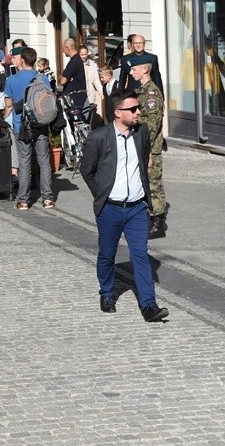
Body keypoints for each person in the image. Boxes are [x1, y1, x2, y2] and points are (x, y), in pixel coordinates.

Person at [80, 90, 169, 323]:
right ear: (118, 113)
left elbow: (144, 159)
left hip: (137, 208)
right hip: (110, 208)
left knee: (140, 254)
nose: (138, 112)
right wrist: (102, 193)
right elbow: (86, 170)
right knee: (107, 254)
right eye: (133, 109)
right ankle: (107, 293)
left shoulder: (142, 133)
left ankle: (149, 306)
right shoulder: (99, 137)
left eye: (138, 107)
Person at [4, 47, 55, 209]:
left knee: (24, 162)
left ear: (23, 60)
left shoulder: (11, 80)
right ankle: (47, 198)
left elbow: (8, 104)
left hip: (21, 126)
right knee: (44, 161)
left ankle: (24, 200)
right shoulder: (43, 78)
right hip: (41, 123)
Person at [130, 57, 168, 239]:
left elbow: (152, 126)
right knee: (145, 183)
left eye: (134, 69)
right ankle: (147, 217)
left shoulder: (152, 94)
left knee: (154, 184)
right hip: (142, 146)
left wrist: (148, 152)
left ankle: (158, 224)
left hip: (150, 148)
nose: (131, 72)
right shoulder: (140, 92)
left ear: (145, 69)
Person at [59, 38, 88, 109]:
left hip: (74, 98)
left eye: (63, 49)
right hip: (78, 97)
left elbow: (62, 81)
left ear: (68, 48)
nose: (63, 51)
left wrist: (61, 76)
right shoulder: (77, 59)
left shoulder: (74, 62)